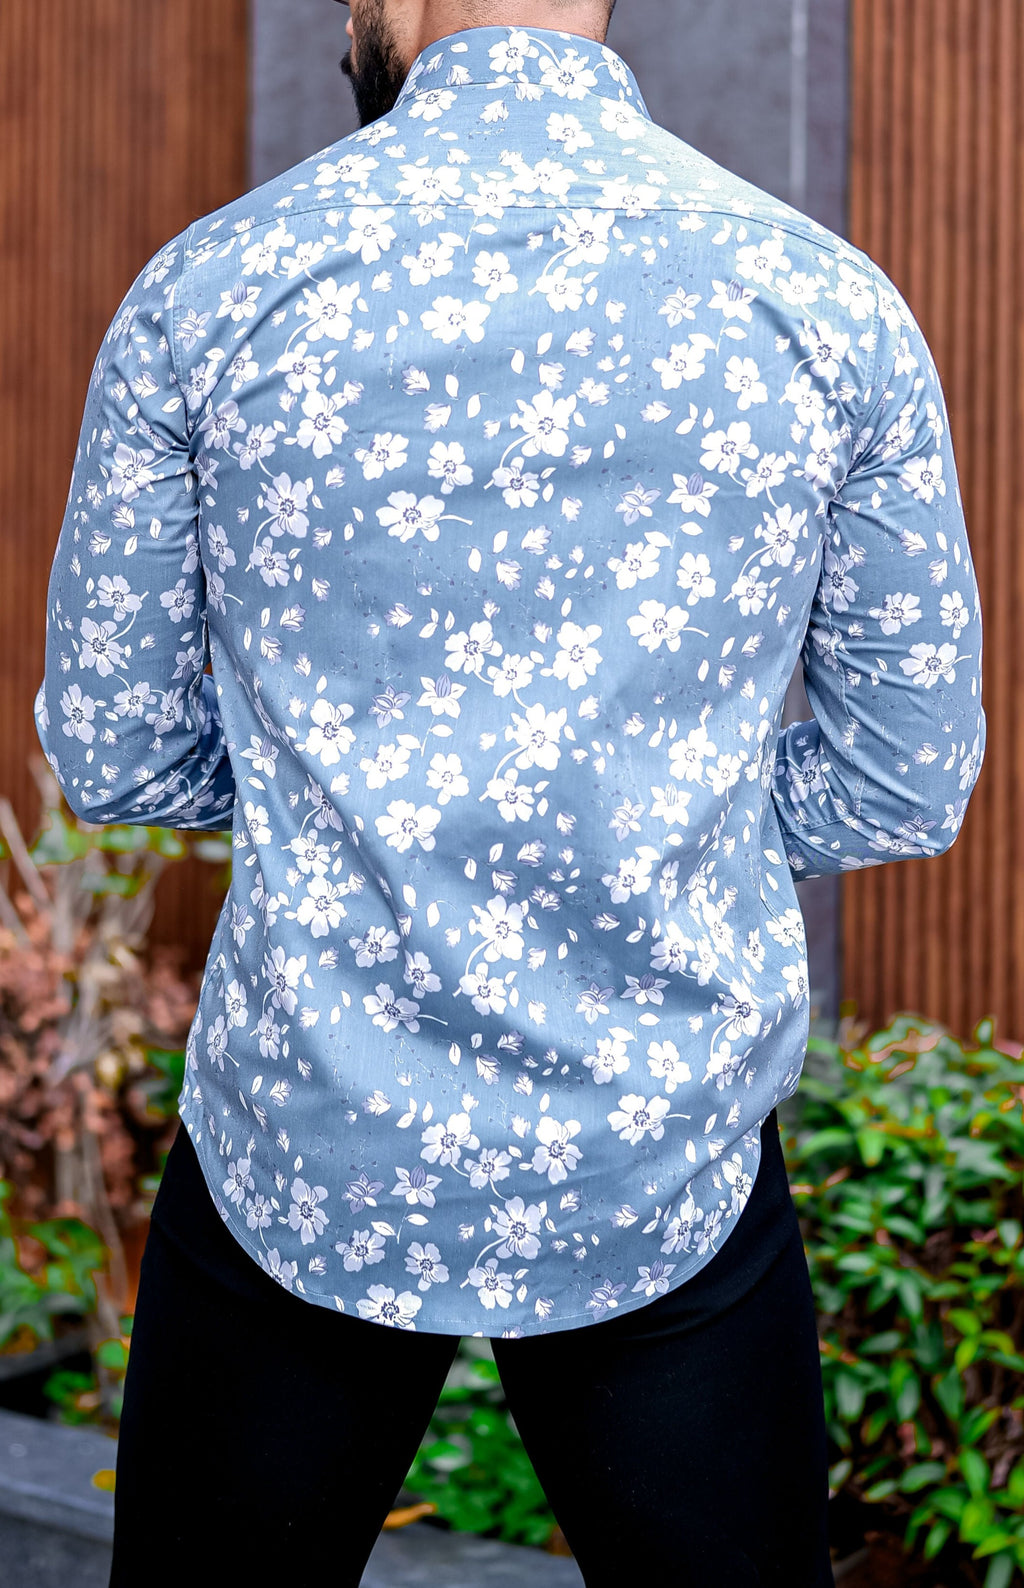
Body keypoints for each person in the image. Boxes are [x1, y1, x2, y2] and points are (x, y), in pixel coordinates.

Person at [36, 0, 985, 1582]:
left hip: (305, 1151)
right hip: (659, 1153)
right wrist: (669, 843)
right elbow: (906, 775)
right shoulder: (824, 302)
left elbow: (114, 748)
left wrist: (319, 804)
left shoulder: (214, 288)